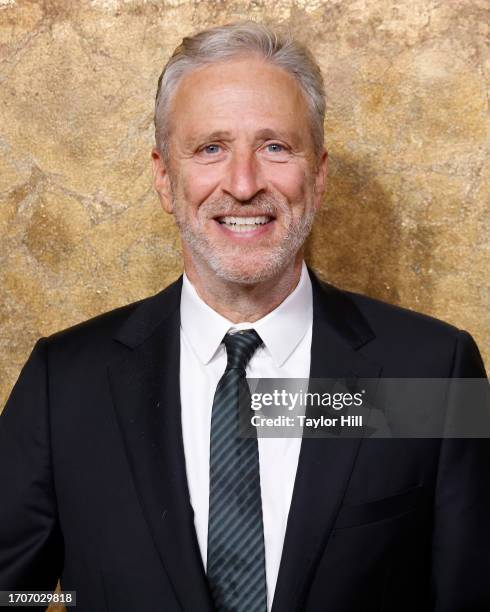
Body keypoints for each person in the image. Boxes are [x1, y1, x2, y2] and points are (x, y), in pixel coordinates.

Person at [0, 21, 488, 612]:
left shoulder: (432, 373)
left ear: (320, 172)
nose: (243, 183)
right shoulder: (65, 382)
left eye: (275, 147)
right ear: (164, 177)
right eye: (210, 148)